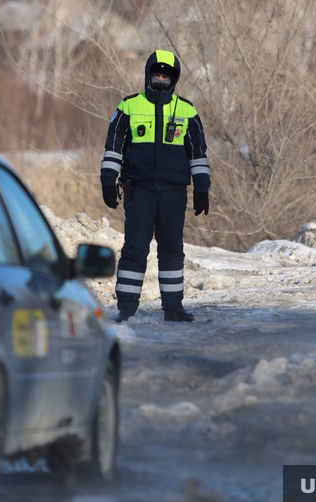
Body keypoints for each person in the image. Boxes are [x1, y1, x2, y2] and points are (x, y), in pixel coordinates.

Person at [99, 49, 210, 323]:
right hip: (139, 189)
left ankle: (173, 308)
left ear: (174, 79)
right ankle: (126, 308)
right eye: (156, 74)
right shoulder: (128, 107)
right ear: (148, 75)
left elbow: (198, 154)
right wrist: (108, 181)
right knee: (135, 248)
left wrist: (201, 188)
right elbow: (113, 148)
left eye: (166, 75)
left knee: (172, 248)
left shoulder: (187, 110)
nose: (161, 79)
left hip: (173, 191)